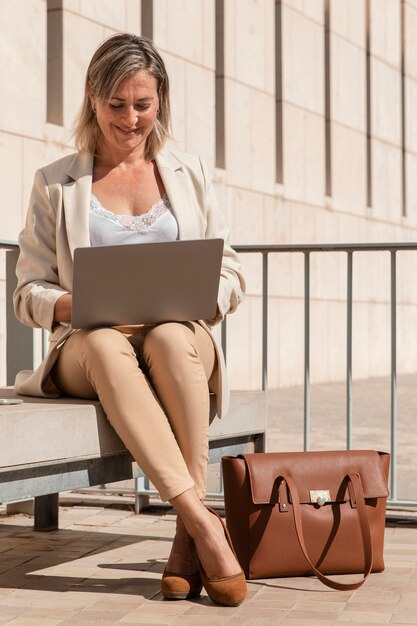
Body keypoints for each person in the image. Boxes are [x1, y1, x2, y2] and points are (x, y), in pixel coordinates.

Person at [13, 34, 246, 606]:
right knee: (107, 344)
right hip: (88, 343)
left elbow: (232, 273)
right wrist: (77, 301)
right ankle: (202, 520)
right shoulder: (55, 182)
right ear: (93, 100)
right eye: (116, 104)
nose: (130, 119)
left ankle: (185, 540)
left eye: (142, 104)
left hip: (178, 333)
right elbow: (26, 293)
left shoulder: (189, 174)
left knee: (168, 337)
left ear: (160, 101)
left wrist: (204, 296)